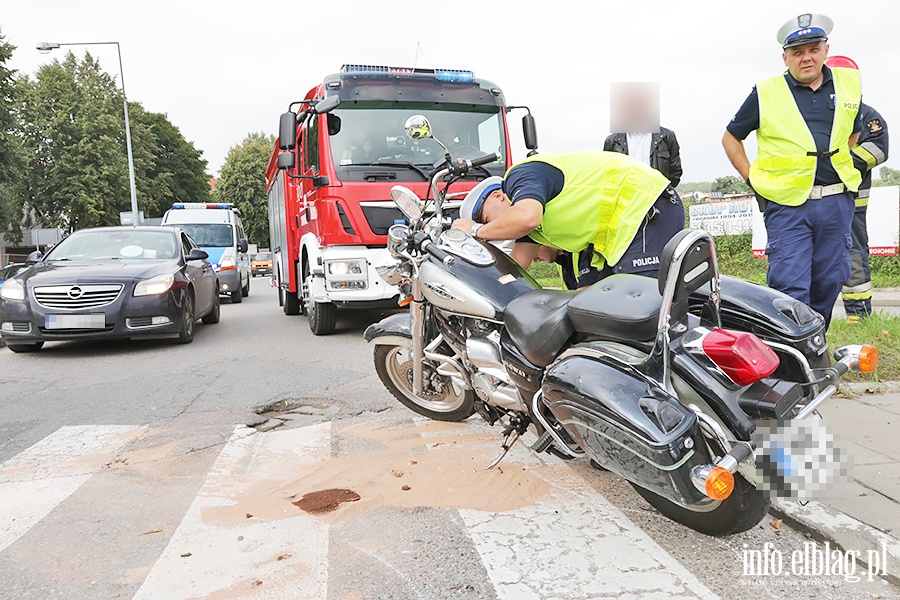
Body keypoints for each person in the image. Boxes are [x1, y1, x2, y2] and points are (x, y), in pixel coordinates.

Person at [722, 13, 862, 329]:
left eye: (813, 49)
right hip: (787, 207)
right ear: (785, 57)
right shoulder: (766, 92)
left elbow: (853, 131)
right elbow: (731, 137)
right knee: (790, 289)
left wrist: (839, 162)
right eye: (797, 52)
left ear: (826, 49)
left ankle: (815, 348)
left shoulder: (849, 84)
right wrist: (751, 178)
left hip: (836, 202)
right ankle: (791, 363)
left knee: (828, 283)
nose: (806, 58)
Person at [452, 151, 684, 287]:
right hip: (631, 222)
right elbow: (515, 268)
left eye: (487, 219)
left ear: (498, 196)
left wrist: (476, 231)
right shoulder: (531, 227)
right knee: (624, 305)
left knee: (644, 306)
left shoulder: (519, 178)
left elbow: (526, 217)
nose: (493, 227)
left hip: (645, 205)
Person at [824, 56, 890, 320]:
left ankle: (858, 314)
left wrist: (835, 164)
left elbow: (878, 150)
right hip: (813, 200)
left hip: (852, 201)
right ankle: (811, 316)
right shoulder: (814, 114)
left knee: (852, 253)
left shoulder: (867, 116)